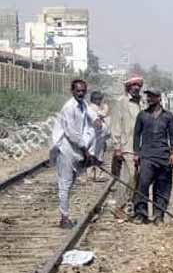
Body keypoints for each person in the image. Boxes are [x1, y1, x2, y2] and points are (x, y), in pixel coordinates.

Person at [50, 79, 101, 228]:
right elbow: (72, 134)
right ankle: (64, 218)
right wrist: (86, 151)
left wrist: (96, 119)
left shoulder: (82, 104)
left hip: (76, 150)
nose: (81, 94)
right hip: (66, 149)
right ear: (72, 91)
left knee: (70, 183)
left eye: (83, 91)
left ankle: (65, 214)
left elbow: (90, 112)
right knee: (65, 184)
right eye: (78, 91)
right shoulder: (69, 107)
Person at [132, 88, 173, 225]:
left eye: (152, 96)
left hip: (163, 155)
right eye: (148, 96)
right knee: (143, 185)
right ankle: (141, 213)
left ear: (159, 98)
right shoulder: (142, 115)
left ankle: (159, 215)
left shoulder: (168, 116)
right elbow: (136, 135)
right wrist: (136, 153)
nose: (149, 99)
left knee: (162, 186)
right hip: (147, 156)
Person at [109, 76, 144, 215]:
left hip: (141, 146)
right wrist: (117, 146)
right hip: (127, 145)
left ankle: (128, 204)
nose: (136, 88)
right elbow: (116, 124)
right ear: (129, 87)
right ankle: (119, 205)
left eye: (138, 86)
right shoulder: (121, 102)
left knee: (136, 177)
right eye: (133, 85)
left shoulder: (143, 103)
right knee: (130, 176)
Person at [88, 91, 111, 181]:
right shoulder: (92, 108)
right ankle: (94, 175)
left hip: (99, 136)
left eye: (99, 99)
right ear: (92, 100)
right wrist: (105, 107)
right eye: (96, 99)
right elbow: (103, 114)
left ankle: (95, 174)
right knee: (95, 154)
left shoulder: (96, 107)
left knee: (98, 154)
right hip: (95, 136)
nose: (98, 101)